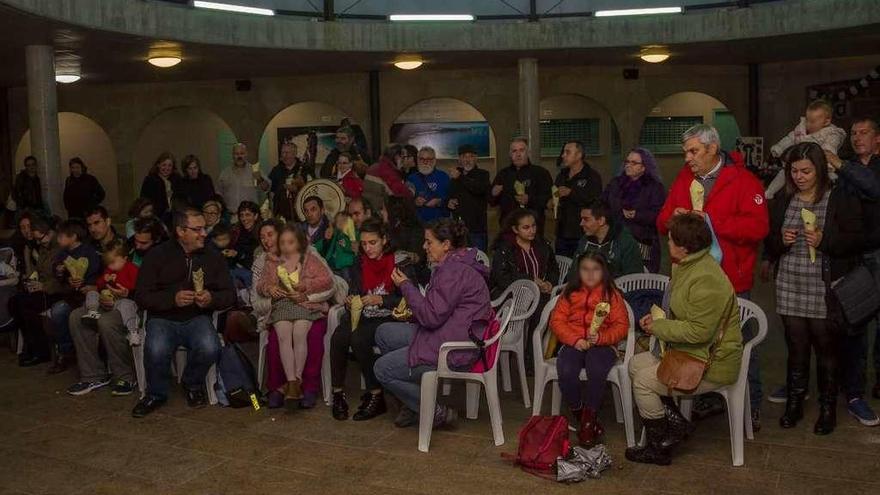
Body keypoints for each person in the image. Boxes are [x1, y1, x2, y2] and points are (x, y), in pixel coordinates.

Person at [656, 124, 768, 425]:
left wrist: (712, 221)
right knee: (691, 341)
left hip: (730, 276)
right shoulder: (684, 179)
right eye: (685, 152)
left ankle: (749, 404)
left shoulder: (743, 181)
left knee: (738, 343)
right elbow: (662, 220)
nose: (688, 158)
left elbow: (758, 228)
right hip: (689, 278)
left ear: (713, 149)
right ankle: (702, 395)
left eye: (694, 151)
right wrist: (674, 219)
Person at [626, 213, 742, 465]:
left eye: (670, 240)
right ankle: (677, 425)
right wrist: (657, 319)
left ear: (684, 247)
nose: (666, 244)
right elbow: (682, 312)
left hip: (713, 362)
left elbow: (699, 332)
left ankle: (661, 445)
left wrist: (659, 327)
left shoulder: (707, 279)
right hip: (690, 351)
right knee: (635, 365)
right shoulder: (688, 265)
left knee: (644, 382)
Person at [765, 142, 863, 434]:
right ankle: (794, 405)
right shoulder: (784, 199)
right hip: (790, 281)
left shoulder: (837, 198)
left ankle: (827, 408)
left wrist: (824, 241)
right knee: (796, 348)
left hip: (822, 284)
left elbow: (854, 241)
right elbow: (769, 241)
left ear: (820, 169)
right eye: (794, 171)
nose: (799, 176)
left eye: (806, 171)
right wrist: (780, 241)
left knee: (826, 349)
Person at [374, 218, 492, 428]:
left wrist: (406, 286)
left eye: (429, 242)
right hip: (444, 333)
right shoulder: (454, 264)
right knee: (384, 332)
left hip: (452, 348)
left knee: (382, 369)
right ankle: (413, 402)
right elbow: (436, 311)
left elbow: (430, 316)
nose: (424, 247)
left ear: (446, 245)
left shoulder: (453, 272)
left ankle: (434, 410)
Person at [132, 208, 236, 418]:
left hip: (197, 317)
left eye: (204, 228)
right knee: (156, 348)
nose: (204, 234)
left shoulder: (213, 257)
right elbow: (141, 296)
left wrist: (211, 299)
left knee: (210, 347)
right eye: (197, 229)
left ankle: (192, 383)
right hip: (162, 318)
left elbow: (230, 295)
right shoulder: (157, 255)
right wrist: (172, 299)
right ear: (181, 231)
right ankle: (156, 394)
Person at [824, 117, 880, 422]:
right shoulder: (844, 170)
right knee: (855, 322)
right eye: (854, 133)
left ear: (877, 139)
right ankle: (854, 391)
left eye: (864, 133)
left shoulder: (859, 168)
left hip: (877, 254)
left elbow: (873, 189)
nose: (858, 138)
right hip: (854, 256)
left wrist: (840, 165)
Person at [550, 252, 629, 446]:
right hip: (574, 342)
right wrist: (575, 339)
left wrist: (602, 337)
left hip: (603, 345)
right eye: (585, 269)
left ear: (604, 271)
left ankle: (588, 421)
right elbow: (557, 321)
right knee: (566, 370)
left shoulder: (612, 294)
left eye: (596, 269)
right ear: (578, 271)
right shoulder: (570, 292)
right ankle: (583, 417)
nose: (590, 274)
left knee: (596, 369)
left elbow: (622, 326)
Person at [330, 218, 405, 421]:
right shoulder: (359, 262)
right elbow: (356, 289)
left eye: (373, 243)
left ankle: (376, 394)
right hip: (362, 314)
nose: (368, 248)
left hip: (388, 317)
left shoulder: (398, 262)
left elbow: (408, 298)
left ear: (384, 240)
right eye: (364, 244)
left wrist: (381, 299)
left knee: (359, 338)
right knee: (338, 337)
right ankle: (337, 393)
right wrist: (350, 299)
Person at [257, 224, 333, 406]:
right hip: (282, 305)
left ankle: (296, 381)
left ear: (299, 243)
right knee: (283, 336)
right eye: (282, 242)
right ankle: (292, 381)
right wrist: (270, 288)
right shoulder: (271, 261)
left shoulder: (309, 260)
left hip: (303, 304)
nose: (285, 246)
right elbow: (261, 285)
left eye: (290, 242)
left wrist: (306, 285)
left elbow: (327, 280)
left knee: (300, 333)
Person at [67, 239, 140, 397]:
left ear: (125, 257)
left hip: (124, 304)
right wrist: (101, 287)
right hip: (105, 301)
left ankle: (125, 376)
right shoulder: (109, 269)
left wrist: (127, 293)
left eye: (113, 262)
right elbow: (99, 284)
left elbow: (141, 288)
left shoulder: (132, 269)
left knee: (106, 321)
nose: (110, 266)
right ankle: (93, 375)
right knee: (76, 316)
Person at [49, 220, 103, 374]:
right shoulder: (62, 254)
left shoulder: (89, 252)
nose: (58, 240)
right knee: (58, 311)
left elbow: (95, 275)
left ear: (73, 237)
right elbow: (57, 273)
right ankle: (65, 353)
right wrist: (61, 273)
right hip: (69, 297)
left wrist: (84, 281)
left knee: (77, 315)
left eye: (61, 236)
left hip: (87, 297)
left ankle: (89, 359)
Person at [765, 100, 847, 200]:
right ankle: (769, 192)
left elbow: (829, 149)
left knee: (827, 179)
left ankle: (826, 197)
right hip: (798, 161)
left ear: (826, 121)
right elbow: (790, 138)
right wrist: (779, 148)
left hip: (819, 165)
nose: (808, 124)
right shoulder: (801, 129)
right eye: (807, 120)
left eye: (813, 121)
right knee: (785, 171)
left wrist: (827, 165)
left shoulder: (831, 134)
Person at [602, 148, 667, 273]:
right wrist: (620, 211)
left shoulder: (654, 187)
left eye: (634, 163)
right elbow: (603, 203)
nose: (628, 165)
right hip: (616, 240)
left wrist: (636, 215)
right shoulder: (616, 183)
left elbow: (659, 215)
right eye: (627, 161)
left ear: (644, 167)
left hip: (643, 243)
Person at [10, 217, 62, 367]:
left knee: (26, 304)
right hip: (43, 287)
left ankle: (41, 349)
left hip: (54, 291)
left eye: (41, 238)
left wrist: (43, 286)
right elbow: (38, 271)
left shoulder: (59, 248)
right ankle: (31, 345)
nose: (39, 242)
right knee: (14, 302)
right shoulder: (43, 248)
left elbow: (60, 279)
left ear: (50, 233)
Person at [490, 137, 553, 237]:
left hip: (533, 230)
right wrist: (493, 194)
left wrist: (529, 199)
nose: (518, 154)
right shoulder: (503, 174)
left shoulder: (541, 173)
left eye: (521, 150)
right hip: (508, 229)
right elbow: (492, 202)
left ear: (528, 152)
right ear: (510, 154)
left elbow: (549, 200)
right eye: (514, 151)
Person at [569, 201, 644, 279]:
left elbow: (634, 279)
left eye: (586, 219)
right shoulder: (584, 241)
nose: (581, 223)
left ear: (601, 221)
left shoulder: (625, 242)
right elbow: (573, 273)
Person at [554, 141, 603, 257]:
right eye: (563, 152)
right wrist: (552, 201)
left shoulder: (592, 176)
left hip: (582, 232)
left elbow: (595, 200)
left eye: (567, 152)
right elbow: (555, 194)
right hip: (562, 231)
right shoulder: (561, 175)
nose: (563, 155)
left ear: (579, 155)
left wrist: (571, 193)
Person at [448, 144, 490, 251]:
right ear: (459, 159)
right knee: (458, 264)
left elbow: (478, 189)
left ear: (476, 159)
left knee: (478, 263)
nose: (467, 159)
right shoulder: (454, 177)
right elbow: (449, 196)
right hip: (458, 230)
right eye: (464, 156)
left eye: (471, 156)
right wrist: (449, 202)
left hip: (477, 230)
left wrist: (460, 177)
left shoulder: (483, 175)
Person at [269, 142, 314, 221]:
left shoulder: (305, 169)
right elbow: (272, 192)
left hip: (301, 214)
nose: (284, 155)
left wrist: (298, 188)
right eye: (282, 153)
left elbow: (313, 190)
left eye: (287, 153)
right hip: (281, 215)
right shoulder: (276, 170)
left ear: (294, 154)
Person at [218, 143, 270, 211]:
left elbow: (266, 188)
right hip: (231, 214)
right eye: (236, 154)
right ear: (232, 155)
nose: (239, 156)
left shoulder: (254, 170)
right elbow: (219, 193)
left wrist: (260, 178)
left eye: (242, 153)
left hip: (250, 215)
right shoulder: (225, 173)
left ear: (246, 154)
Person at [407, 146, 450, 223]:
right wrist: (415, 202)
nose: (425, 162)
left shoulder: (444, 177)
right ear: (417, 160)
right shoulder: (411, 179)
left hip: (440, 225)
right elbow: (405, 201)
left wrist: (440, 202)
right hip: (418, 224)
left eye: (429, 159)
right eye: (422, 159)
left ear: (434, 161)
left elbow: (452, 199)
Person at [139, 151, 181, 222]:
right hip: (157, 217)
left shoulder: (177, 180)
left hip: (174, 217)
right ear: (158, 165)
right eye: (164, 165)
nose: (166, 168)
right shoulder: (150, 180)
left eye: (169, 165)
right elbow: (144, 200)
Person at [226, 201, 260, 288]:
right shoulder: (237, 231)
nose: (244, 219)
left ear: (255, 216)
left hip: (254, 270)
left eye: (248, 215)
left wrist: (238, 254)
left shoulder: (261, 233)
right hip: (236, 267)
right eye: (241, 215)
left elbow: (256, 258)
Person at [316, 211, 357, 279]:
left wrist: (345, 240)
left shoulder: (352, 235)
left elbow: (351, 248)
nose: (341, 222)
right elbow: (322, 243)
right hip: (332, 264)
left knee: (347, 279)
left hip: (345, 264)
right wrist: (314, 247)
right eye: (338, 221)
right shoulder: (335, 233)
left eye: (344, 220)